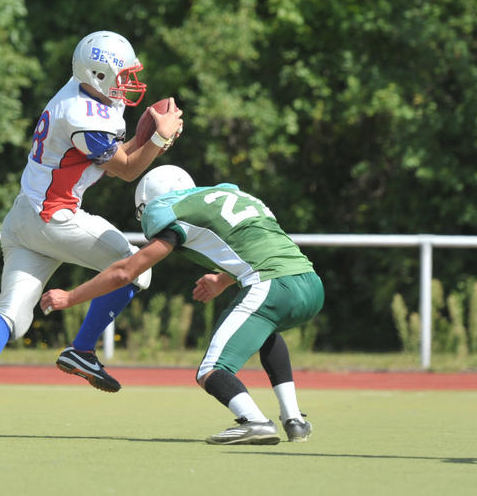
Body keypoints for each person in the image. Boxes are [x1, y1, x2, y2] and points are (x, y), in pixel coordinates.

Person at [0, 30, 184, 437]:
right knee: (137, 269)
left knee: (11, 315)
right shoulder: (82, 115)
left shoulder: (82, 92)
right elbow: (125, 171)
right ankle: (82, 350)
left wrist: (151, 140)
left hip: (23, 218)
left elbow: (115, 157)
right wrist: (159, 137)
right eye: (121, 75)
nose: (128, 83)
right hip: (55, 218)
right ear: (97, 75)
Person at [40, 165, 324, 445]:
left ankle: (255, 421)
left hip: (272, 287)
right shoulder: (231, 196)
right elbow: (263, 247)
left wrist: (70, 297)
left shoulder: (175, 211)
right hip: (311, 283)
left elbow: (126, 272)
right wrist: (224, 279)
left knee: (211, 370)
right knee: (266, 331)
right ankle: (294, 420)